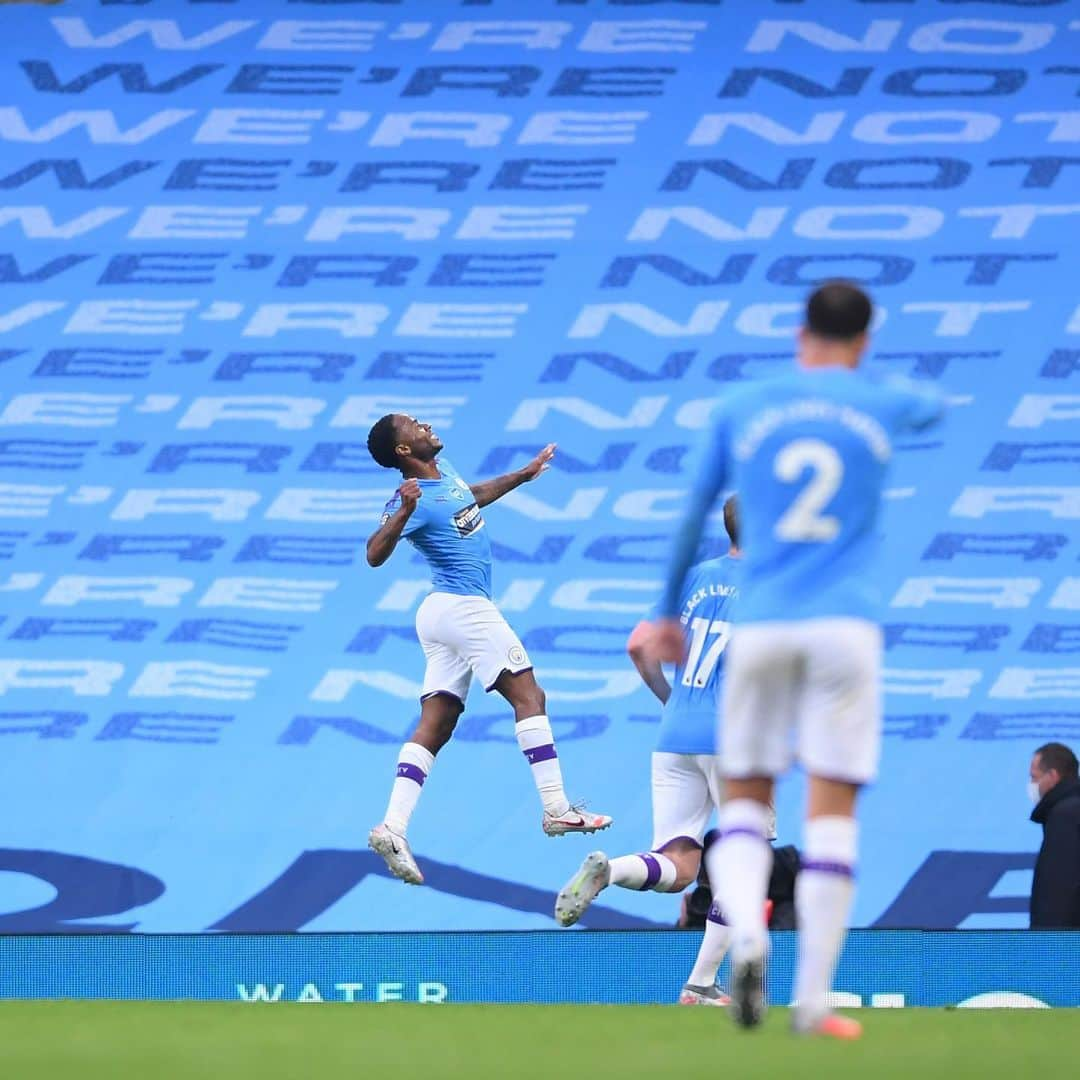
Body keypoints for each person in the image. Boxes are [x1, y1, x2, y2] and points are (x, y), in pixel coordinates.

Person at [650, 281, 944, 1039]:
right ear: (865, 340)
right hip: (844, 627)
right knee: (832, 812)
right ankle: (812, 999)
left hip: (768, 623)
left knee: (744, 803)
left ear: (797, 331)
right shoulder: (875, 402)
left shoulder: (745, 406)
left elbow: (691, 514)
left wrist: (662, 614)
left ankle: (745, 935)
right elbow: (931, 404)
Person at [365, 414, 612, 885]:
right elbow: (374, 554)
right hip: (462, 608)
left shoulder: (445, 473)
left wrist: (522, 475)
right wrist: (402, 512)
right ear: (402, 451)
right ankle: (557, 808)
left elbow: (470, 500)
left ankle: (393, 827)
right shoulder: (407, 496)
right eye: (414, 425)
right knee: (529, 697)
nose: (426, 425)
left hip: (443, 614)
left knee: (436, 724)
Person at [555, 498, 770, 1006]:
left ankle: (611, 870)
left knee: (678, 866)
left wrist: (674, 701)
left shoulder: (695, 577)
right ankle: (700, 983)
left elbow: (637, 645)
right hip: (736, 739)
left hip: (675, 735)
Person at [1029, 742, 1080, 928]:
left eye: (1034, 777)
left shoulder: (1065, 815)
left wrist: (1045, 943)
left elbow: (1057, 889)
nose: (1032, 785)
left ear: (1052, 776)